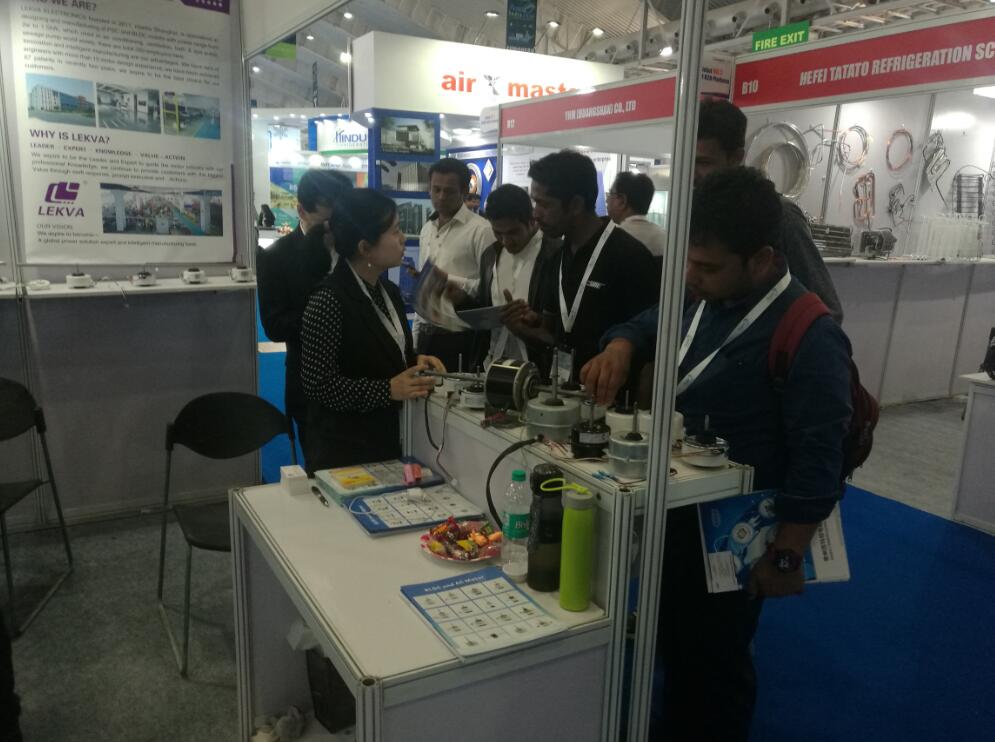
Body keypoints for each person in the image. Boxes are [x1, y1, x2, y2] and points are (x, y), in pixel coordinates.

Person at [583, 168, 853, 741]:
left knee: (716, 661)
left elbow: (818, 456)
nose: (691, 276)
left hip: (738, 528)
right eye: (689, 261)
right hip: (678, 506)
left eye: (707, 267)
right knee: (673, 640)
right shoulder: (705, 296)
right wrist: (622, 344)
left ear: (762, 259)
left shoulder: (809, 332)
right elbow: (649, 321)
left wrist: (787, 556)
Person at [300, 189, 445, 471]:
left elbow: (379, 352)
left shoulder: (387, 290)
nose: (402, 238)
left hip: (387, 439)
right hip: (343, 449)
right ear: (365, 248)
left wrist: (414, 360)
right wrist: (386, 390)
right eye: (395, 231)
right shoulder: (328, 300)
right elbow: (319, 385)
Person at [502, 149, 659, 384]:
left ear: (575, 204)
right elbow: (553, 333)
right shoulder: (556, 258)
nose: (535, 214)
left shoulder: (630, 256)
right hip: (562, 392)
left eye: (544, 204)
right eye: (535, 202)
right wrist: (527, 326)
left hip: (613, 399)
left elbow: (651, 346)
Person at [696, 97, 842, 321]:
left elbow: (827, 311)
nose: (691, 173)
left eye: (704, 163)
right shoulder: (696, 210)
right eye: (686, 161)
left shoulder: (780, 216)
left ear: (735, 158)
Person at [256, 169, 352, 465]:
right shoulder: (276, 257)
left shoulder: (357, 248)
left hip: (362, 380)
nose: (335, 227)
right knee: (321, 469)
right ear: (302, 211)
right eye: (327, 219)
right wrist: (327, 319)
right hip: (310, 386)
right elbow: (274, 326)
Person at [446, 183, 561, 371]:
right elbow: (486, 311)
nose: (506, 241)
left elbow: (560, 329)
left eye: (513, 232)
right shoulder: (491, 255)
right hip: (492, 365)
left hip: (540, 371)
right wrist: (462, 300)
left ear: (532, 220)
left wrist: (527, 325)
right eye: (498, 233)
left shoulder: (555, 255)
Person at [414, 158, 494, 371]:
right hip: (426, 335)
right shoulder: (427, 229)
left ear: (464, 191)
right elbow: (424, 288)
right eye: (436, 189)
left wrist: (449, 282)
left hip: (460, 337)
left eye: (448, 191)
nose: (441, 197)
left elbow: (490, 288)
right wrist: (416, 337)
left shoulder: (482, 230)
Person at [607, 172, 667, 257]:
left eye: (610, 193)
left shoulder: (612, 239)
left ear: (622, 201)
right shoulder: (664, 237)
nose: (607, 200)